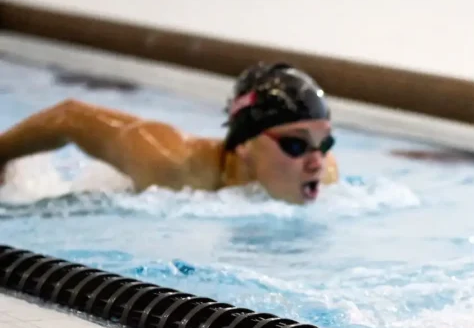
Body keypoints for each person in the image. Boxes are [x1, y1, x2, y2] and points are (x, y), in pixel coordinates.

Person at [0, 62, 339, 204]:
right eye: (296, 145)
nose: (317, 163)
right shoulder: (169, 164)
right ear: (245, 145)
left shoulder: (326, 175)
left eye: (324, 145)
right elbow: (69, 116)